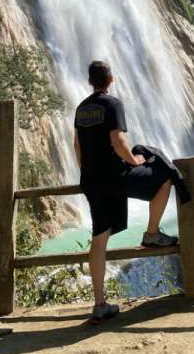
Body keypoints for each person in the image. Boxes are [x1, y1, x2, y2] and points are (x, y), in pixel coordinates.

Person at [74, 59, 179, 322]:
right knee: (165, 178)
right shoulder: (112, 104)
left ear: (90, 81)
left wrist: (86, 172)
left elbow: (77, 145)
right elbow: (119, 140)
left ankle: (100, 304)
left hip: (91, 179)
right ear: (111, 80)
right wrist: (135, 161)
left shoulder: (81, 108)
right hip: (116, 175)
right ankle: (152, 234)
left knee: (100, 237)